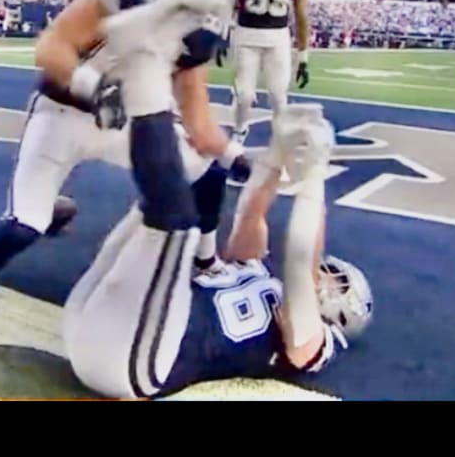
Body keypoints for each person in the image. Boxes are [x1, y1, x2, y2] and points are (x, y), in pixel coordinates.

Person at [0, 0, 247, 353]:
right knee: (21, 229)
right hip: (63, 115)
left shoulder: (198, 36)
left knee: (206, 171)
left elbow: (200, 124)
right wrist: (92, 87)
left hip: (121, 125)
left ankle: (205, 261)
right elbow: (51, 47)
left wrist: (242, 159)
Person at [63, 103, 373, 399]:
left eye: (336, 282)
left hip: (134, 362)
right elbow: (251, 214)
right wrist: (277, 152)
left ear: (345, 316)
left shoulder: (311, 341)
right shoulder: (259, 275)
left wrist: (315, 178)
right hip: (89, 324)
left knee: (180, 203)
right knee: (197, 176)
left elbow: (299, 267)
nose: (323, 277)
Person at [228, 0, 313, 146]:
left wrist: (303, 56)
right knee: (244, 95)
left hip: (277, 37)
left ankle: (280, 143)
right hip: (247, 33)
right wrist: (223, 28)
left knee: (278, 96)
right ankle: (239, 132)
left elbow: (301, 15)